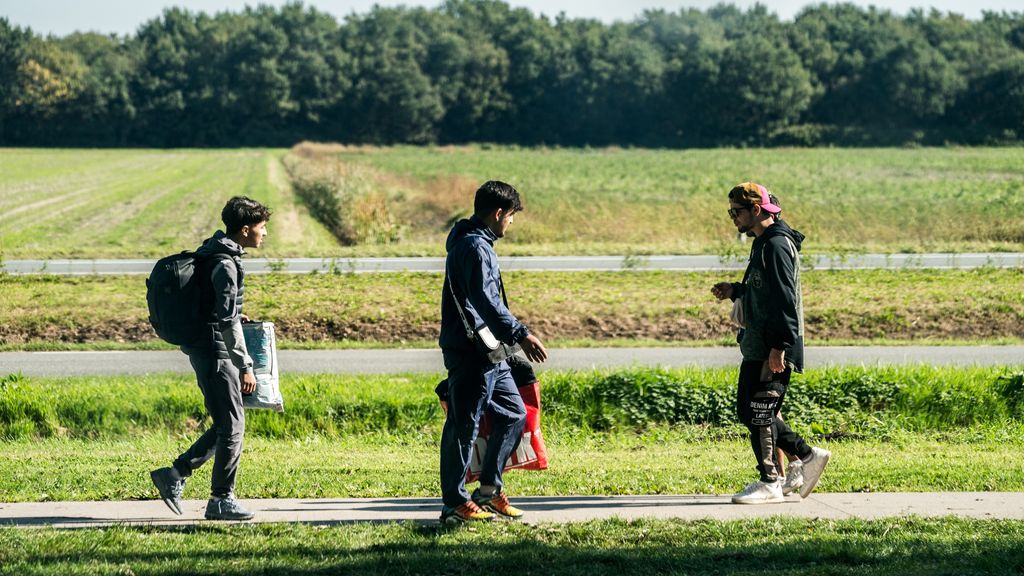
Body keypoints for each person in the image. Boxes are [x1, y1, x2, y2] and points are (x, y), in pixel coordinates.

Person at [150, 195, 271, 520]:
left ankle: (174, 475)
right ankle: (220, 500)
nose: (264, 234)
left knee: (225, 424)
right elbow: (227, 322)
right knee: (233, 426)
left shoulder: (212, 253)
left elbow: (219, 309)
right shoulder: (226, 264)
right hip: (216, 352)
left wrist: (233, 316)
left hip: (205, 345)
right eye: (261, 228)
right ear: (245, 230)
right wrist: (245, 365)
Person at [710, 182, 830, 504]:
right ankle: (804, 458)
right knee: (753, 411)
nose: (733, 218)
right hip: (760, 342)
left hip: (772, 346)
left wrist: (779, 347)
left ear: (756, 210)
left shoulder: (776, 245)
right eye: (730, 211)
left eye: (737, 212)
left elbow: (784, 301)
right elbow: (763, 291)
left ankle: (773, 480)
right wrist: (736, 290)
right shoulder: (763, 243)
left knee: (759, 412)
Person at [438, 180, 548, 523]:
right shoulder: (475, 247)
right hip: (472, 349)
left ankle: (488, 491)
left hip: (489, 348)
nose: (511, 223)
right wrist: (522, 334)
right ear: (498, 213)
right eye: (511, 216)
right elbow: (486, 301)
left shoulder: (475, 241)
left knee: (514, 414)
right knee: (464, 426)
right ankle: (454, 504)